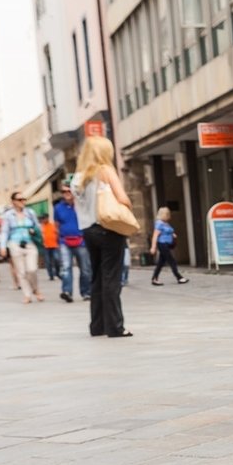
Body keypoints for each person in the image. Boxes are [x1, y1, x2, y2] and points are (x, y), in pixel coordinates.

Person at [74, 133, 134, 337]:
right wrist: (126, 206)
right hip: (108, 228)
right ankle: (115, 326)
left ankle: (97, 325)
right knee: (112, 278)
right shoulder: (105, 171)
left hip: (88, 231)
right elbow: (123, 198)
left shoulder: (78, 178)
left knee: (97, 277)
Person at [0, 193, 46, 303]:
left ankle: (36, 289)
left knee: (32, 269)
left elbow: (38, 226)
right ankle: (27, 295)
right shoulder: (8, 215)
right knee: (21, 272)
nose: (22, 201)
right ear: (13, 201)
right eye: (20, 199)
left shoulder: (30, 212)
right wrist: (3, 246)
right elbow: (4, 231)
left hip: (30, 243)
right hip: (15, 244)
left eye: (24, 199)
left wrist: (35, 231)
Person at [53, 183, 90, 302]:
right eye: (64, 192)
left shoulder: (81, 205)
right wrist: (59, 239)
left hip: (81, 240)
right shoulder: (58, 208)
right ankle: (67, 291)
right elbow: (56, 225)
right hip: (65, 241)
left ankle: (86, 292)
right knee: (66, 267)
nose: (67, 194)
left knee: (85, 268)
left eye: (69, 191)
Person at [149, 207, 189, 285]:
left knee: (161, 262)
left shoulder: (165, 223)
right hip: (162, 244)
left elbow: (167, 232)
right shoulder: (159, 223)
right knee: (172, 261)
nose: (169, 216)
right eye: (168, 214)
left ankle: (154, 278)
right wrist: (153, 247)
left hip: (167, 244)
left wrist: (172, 235)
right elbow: (155, 236)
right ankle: (179, 277)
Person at [41, 212, 60, 280]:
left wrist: (58, 243)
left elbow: (58, 234)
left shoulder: (52, 225)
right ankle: (51, 275)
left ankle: (57, 273)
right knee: (48, 262)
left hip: (54, 246)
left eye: (44, 218)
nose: (43, 220)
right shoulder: (41, 226)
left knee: (57, 259)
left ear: (47, 218)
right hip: (46, 247)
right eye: (42, 219)